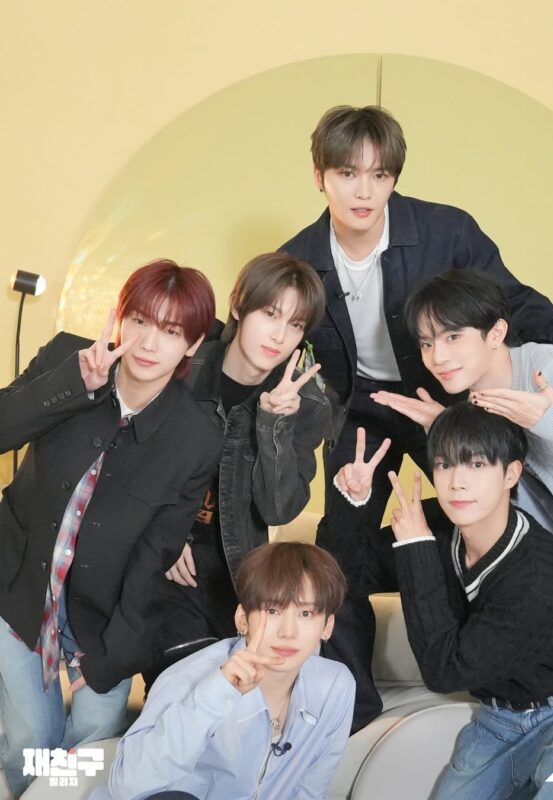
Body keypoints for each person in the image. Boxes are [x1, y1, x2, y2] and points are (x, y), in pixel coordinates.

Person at [280, 104, 553, 729]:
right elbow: (261, 334)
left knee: (499, 507)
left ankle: (508, 667)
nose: (364, 192)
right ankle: (352, 706)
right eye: (348, 174)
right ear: (319, 176)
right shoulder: (298, 261)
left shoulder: (444, 230)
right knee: (340, 543)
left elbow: (505, 298)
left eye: (380, 175)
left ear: (394, 178)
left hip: (444, 396)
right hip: (363, 408)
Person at [377, 267, 553, 796]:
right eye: (426, 342)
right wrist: (448, 433)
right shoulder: (471, 409)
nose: (438, 355)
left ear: (497, 332)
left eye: (453, 337)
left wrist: (552, 422)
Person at [0, 259, 222, 798]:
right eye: (139, 320)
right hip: (20, 582)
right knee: (32, 741)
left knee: (94, 742)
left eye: (171, 331)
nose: (148, 342)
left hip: (107, 614)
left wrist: (113, 655)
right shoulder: (67, 357)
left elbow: (155, 555)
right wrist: (75, 384)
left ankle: (55, 792)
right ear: (119, 317)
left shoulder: (196, 436)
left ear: (192, 345)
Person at [387, 402, 553, 798]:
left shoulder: (537, 575)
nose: (457, 482)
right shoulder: (440, 526)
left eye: (477, 465)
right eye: (445, 465)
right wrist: (354, 499)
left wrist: (415, 547)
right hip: (499, 721)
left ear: (510, 474)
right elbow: (349, 566)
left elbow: (445, 672)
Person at [147, 252, 330, 682]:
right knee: (186, 689)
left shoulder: (307, 403)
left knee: (239, 699)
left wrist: (274, 425)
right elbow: (131, 464)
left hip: (236, 577)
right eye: (270, 314)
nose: (279, 336)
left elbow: (278, 510)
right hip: (157, 567)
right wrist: (167, 534)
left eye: (295, 325)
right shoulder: (182, 369)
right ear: (237, 306)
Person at [93, 541, 355, 800]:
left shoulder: (335, 686)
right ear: (242, 619)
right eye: (273, 610)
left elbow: (312, 790)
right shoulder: (189, 677)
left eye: (306, 614)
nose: (288, 632)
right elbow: (126, 786)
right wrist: (217, 694)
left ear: (327, 626)